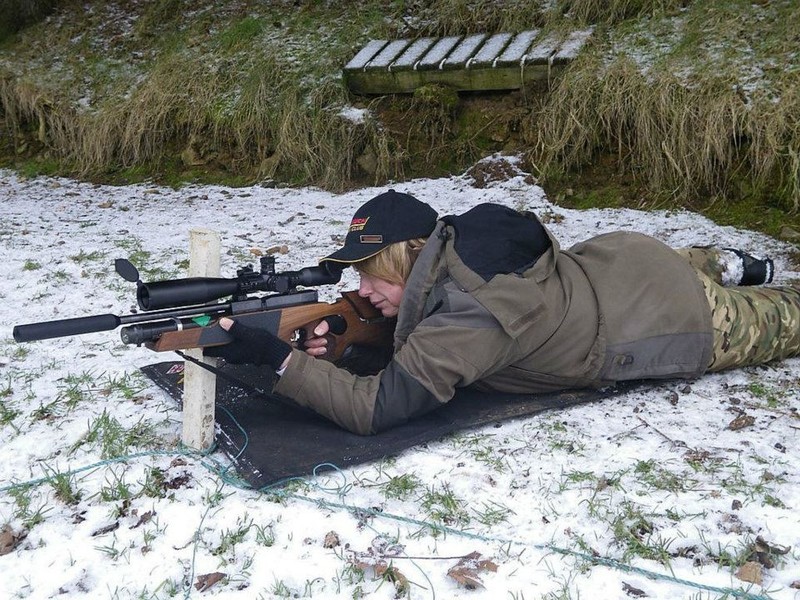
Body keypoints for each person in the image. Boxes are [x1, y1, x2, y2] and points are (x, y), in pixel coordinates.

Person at [206, 190, 800, 435]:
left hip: (668, 315)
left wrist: (281, 361)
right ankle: (727, 264)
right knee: (692, 267)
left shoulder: (470, 314)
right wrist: (348, 338)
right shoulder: (462, 246)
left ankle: (728, 276)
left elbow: (375, 408)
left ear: (409, 259)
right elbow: (414, 324)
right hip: (622, 263)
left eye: (372, 273)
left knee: (784, 320)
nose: (362, 289)